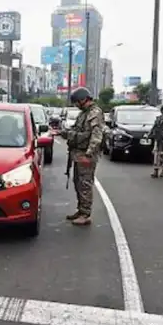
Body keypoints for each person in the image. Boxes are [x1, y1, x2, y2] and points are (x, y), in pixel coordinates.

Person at [53, 86, 104, 226]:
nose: (76, 105)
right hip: (78, 153)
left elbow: (96, 136)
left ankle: (85, 214)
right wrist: (64, 133)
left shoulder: (94, 113)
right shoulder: (84, 113)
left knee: (85, 184)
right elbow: (77, 130)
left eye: (77, 102)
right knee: (78, 182)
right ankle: (81, 210)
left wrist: (88, 154)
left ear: (83, 100)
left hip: (86, 154)